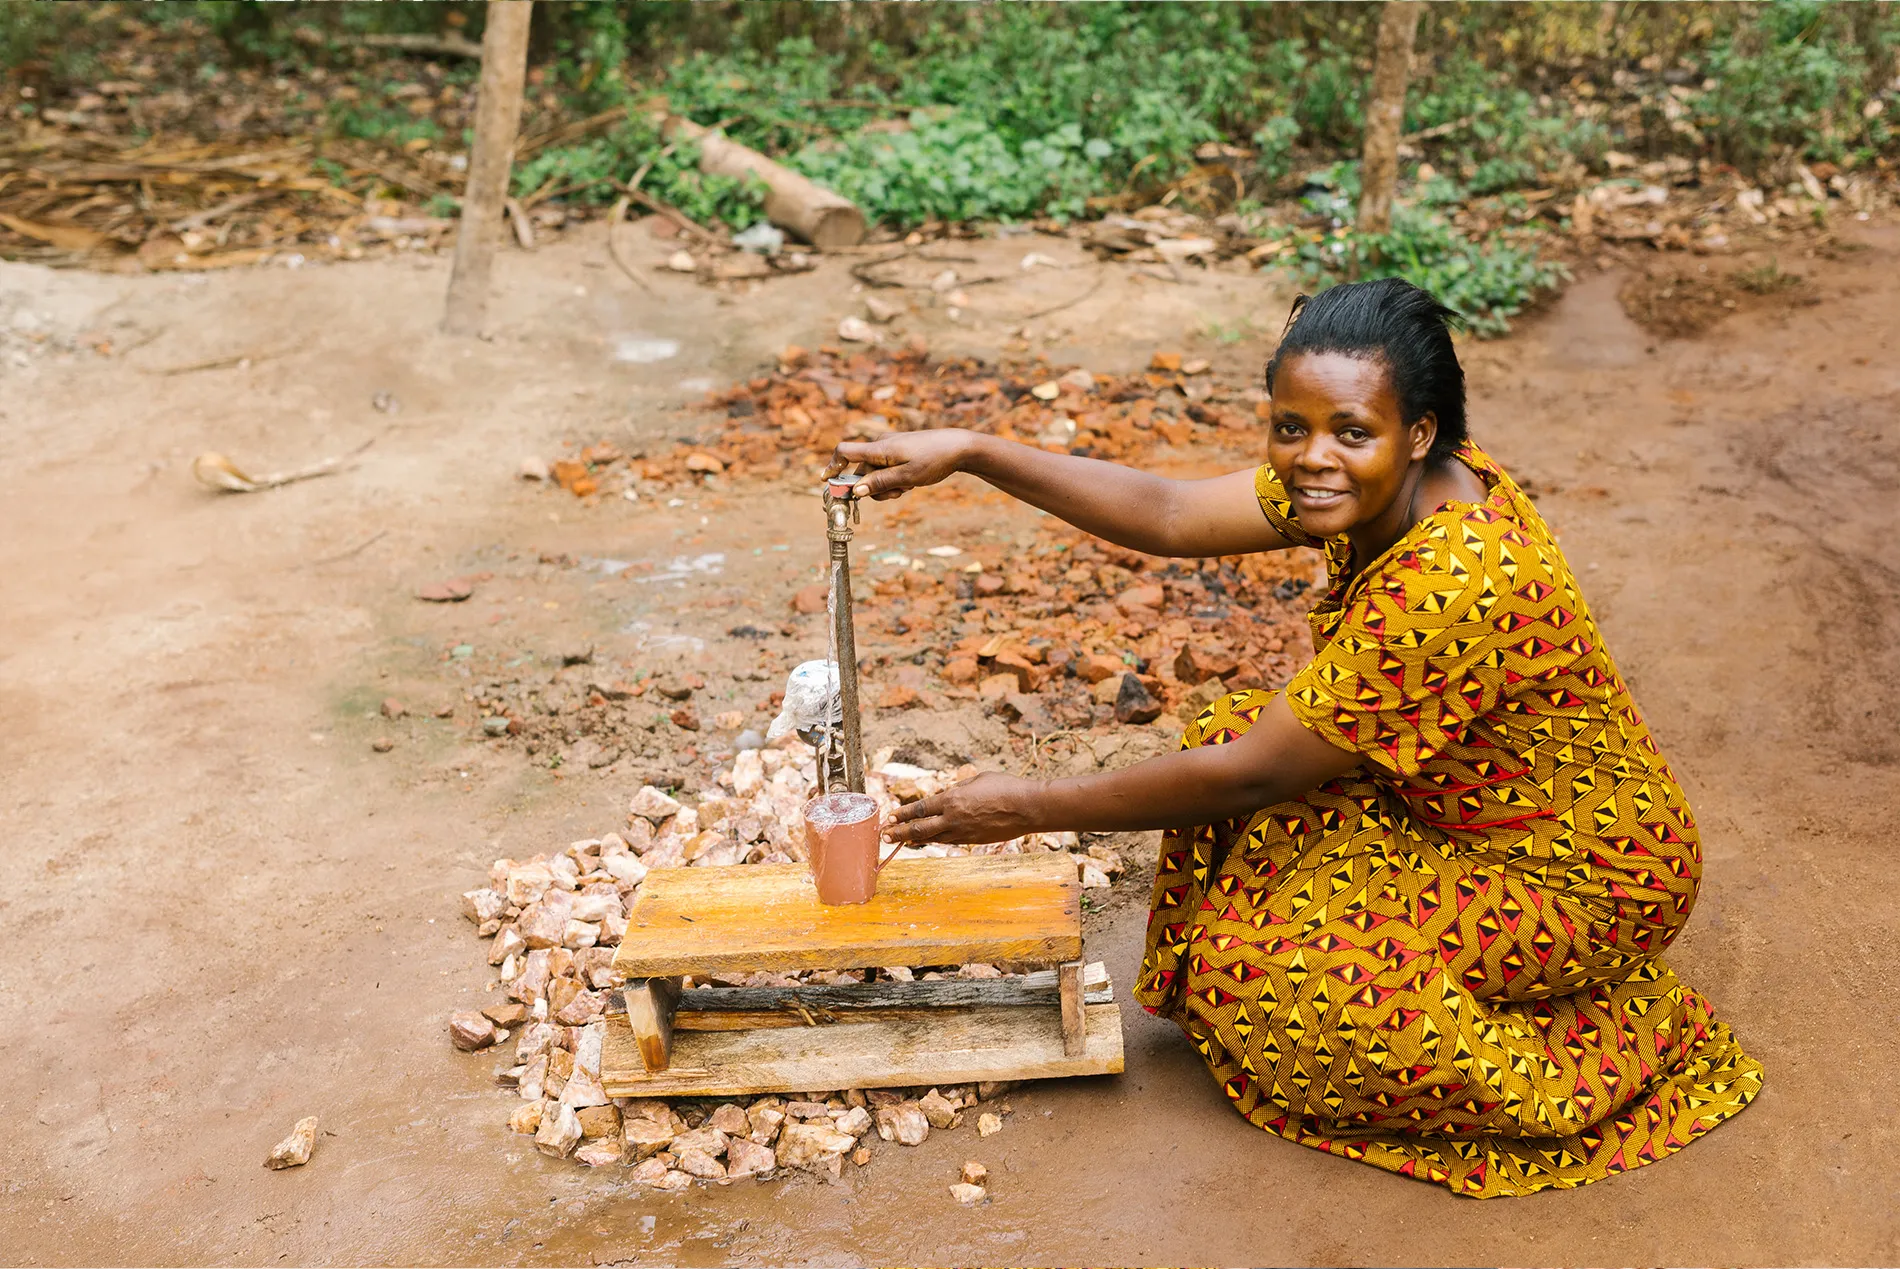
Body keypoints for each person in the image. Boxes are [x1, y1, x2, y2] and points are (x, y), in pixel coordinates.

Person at [824, 277, 1761, 1197]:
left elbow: (1245, 778)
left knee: (1262, 977)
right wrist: (978, 452)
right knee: (1234, 732)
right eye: (1290, 426)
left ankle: (1609, 1042)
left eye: (1350, 432)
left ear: (1419, 432)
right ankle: (1479, 980)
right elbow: (1170, 513)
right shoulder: (1381, 482)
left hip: (1587, 874)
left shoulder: (1453, 577)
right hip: (1469, 816)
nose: (1314, 457)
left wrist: (1024, 804)